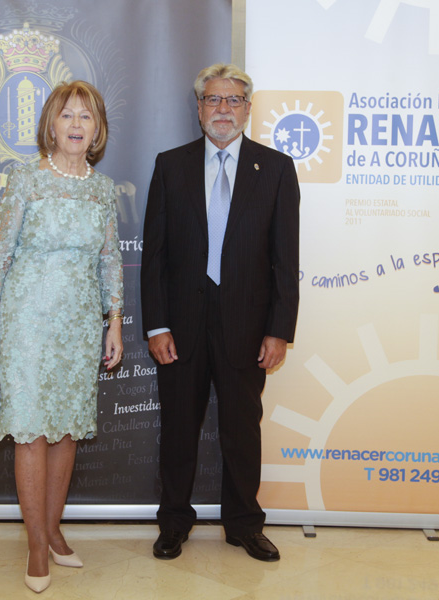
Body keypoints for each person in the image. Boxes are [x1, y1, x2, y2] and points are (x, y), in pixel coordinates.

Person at [141, 64, 300, 562]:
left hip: (247, 328)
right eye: (213, 99)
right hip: (180, 328)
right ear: (199, 108)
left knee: (241, 432)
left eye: (233, 100)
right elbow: (155, 256)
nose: (223, 109)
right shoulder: (170, 165)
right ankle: (173, 523)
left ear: (248, 109)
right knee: (178, 431)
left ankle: (244, 524)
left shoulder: (276, 169)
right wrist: (157, 325)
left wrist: (279, 330)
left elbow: (285, 259)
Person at [0, 80, 124, 593]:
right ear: (51, 126)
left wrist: (115, 320)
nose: (76, 124)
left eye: (86, 116)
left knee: (67, 430)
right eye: (67, 115)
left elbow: (110, 259)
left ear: (97, 129)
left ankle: (54, 529)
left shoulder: (103, 189)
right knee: (32, 429)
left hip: (80, 322)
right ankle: (36, 543)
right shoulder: (26, 180)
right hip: (29, 321)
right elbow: (1, 253)